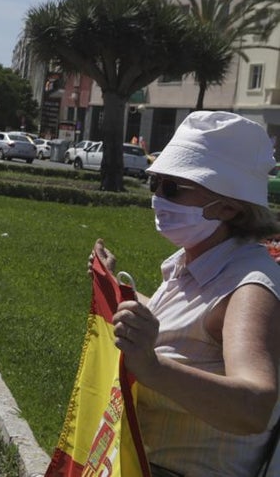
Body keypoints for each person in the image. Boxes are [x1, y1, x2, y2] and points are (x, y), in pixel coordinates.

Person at [90, 111, 280, 477]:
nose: (158, 198)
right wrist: (114, 289)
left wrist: (153, 367)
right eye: (155, 184)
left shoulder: (251, 286)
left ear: (228, 205)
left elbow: (254, 406)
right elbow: (180, 322)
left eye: (173, 188)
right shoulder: (196, 263)